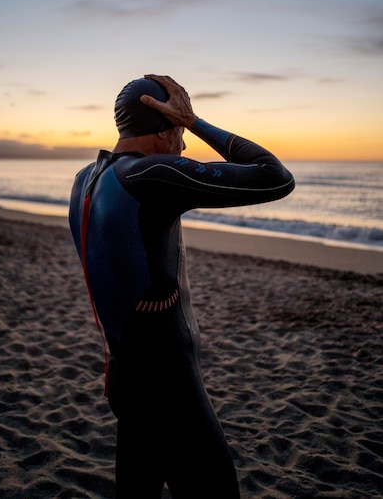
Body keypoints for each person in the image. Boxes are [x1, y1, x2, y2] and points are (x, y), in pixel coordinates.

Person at [69, 74, 295, 499]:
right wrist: (195, 120)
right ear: (165, 126)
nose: (185, 146)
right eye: (179, 132)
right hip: (166, 383)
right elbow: (275, 177)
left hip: (124, 376)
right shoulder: (152, 175)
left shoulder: (87, 178)